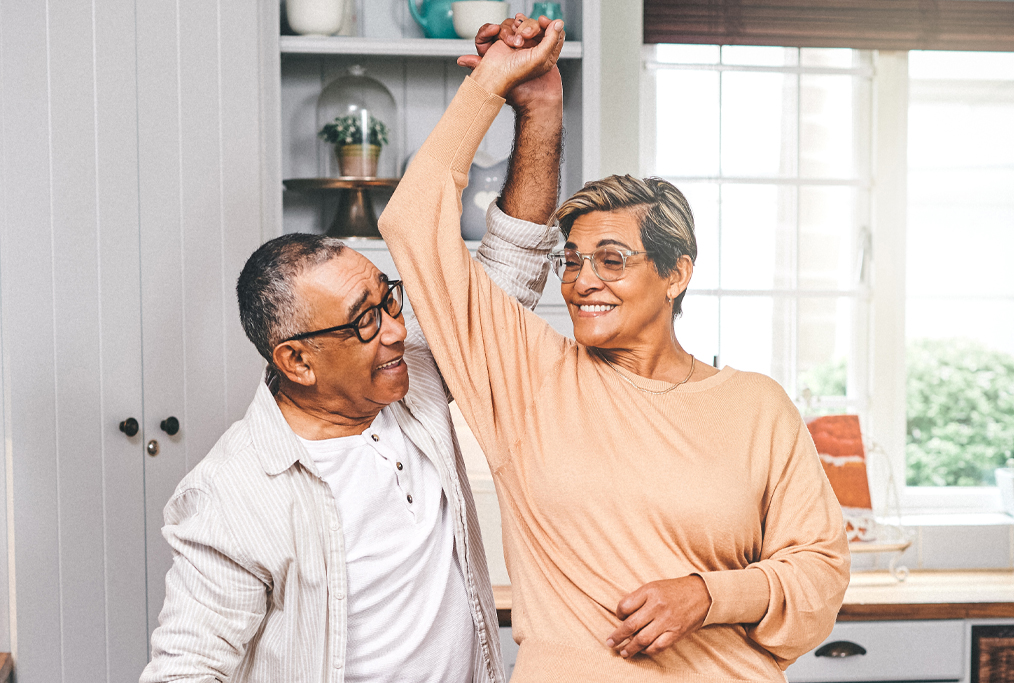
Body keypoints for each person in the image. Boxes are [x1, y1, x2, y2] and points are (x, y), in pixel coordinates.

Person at [380, 18, 851, 683]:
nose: (582, 282)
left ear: (676, 272)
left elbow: (821, 575)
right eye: (572, 262)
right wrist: (503, 88)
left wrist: (708, 594)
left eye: (612, 259)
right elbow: (412, 219)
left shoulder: (756, 406)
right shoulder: (525, 376)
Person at [139, 17, 563, 683]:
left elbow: (510, 266)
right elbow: (186, 667)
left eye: (387, 298)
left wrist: (537, 106)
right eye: (364, 321)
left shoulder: (412, 376)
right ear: (297, 361)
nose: (395, 328)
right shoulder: (232, 494)